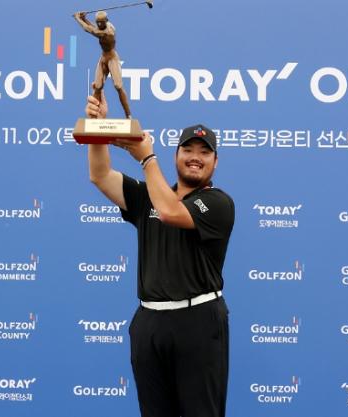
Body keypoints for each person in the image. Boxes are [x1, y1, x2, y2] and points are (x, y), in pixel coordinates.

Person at [85, 93, 235, 417]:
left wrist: (147, 158)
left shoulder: (219, 202)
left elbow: (170, 211)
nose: (195, 158)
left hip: (198, 320)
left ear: (215, 162)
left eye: (204, 152)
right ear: (176, 155)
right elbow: (100, 175)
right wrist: (98, 129)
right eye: (188, 150)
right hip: (149, 323)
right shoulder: (146, 196)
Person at [74, 10, 132, 118]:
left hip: (112, 58)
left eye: (101, 22)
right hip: (103, 58)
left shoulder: (108, 31)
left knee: (118, 86)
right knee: (97, 86)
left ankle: (128, 115)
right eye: (98, 22)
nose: (100, 24)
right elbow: (94, 27)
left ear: (106, 21)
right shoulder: (101, 27)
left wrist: (77, 18)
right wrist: (84, 19)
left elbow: (89, 29)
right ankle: (94, 118)